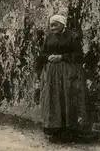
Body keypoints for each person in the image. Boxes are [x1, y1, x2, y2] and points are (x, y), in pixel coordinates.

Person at [35, 14, 89, 143]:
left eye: (55, 24)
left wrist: (62, 57)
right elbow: (42, 53)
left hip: (67, 73)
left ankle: (69, 132)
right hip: (52, 74)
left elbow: (78, 55)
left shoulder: (72, 37)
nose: (52, 27)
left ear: (62, 24)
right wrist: (47, 57)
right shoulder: (48, 37)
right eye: (51, 25)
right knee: (52, 98)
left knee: (67, 97)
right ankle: (54, 131)